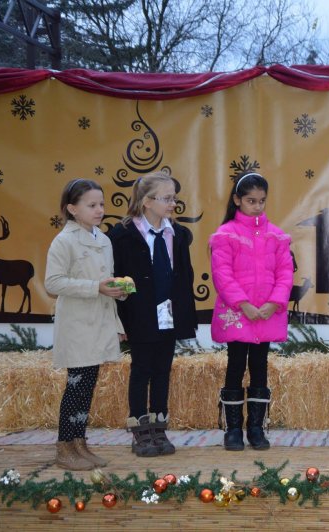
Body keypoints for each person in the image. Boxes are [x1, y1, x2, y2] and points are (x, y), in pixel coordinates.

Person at [109, 171, 198, 457]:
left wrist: (184, 313)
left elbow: (183, 276)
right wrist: (120, 317)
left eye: (174, 197)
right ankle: (140, 430)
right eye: (167, 198)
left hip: (168, 314)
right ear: (147, 201)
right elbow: (116, 277)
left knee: (163, 370)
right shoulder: (122, 235)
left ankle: (159, 428)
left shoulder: (179, 235)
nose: (173, 203)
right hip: (140, 314)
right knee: (141, 369)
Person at [45, 178, 125, 470]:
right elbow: (53, 283)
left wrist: (116, 307)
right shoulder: (64, 241)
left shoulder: (103, 240)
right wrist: (95, 287)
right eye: (91, 205)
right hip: (78, 325)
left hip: (99, 322)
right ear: (72, 209)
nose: (99, 210)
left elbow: (106, 280)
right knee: (76, 385)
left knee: (87, 386)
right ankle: (64, 448)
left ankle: (79, 443)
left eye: (101, 204)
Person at [211, 172, 293, 451]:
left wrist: (274, 303)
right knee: (235, 366)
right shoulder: (225, 235)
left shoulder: (277, 236)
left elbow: (285, 273)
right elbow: (222, 275)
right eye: (251, 201)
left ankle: (256, 428)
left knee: (260, 367)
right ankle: (232, 430)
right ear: (237, 200)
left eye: (262, 201)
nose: (257, 206)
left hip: (267, 314)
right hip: (239, 313)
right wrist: (244, 304)